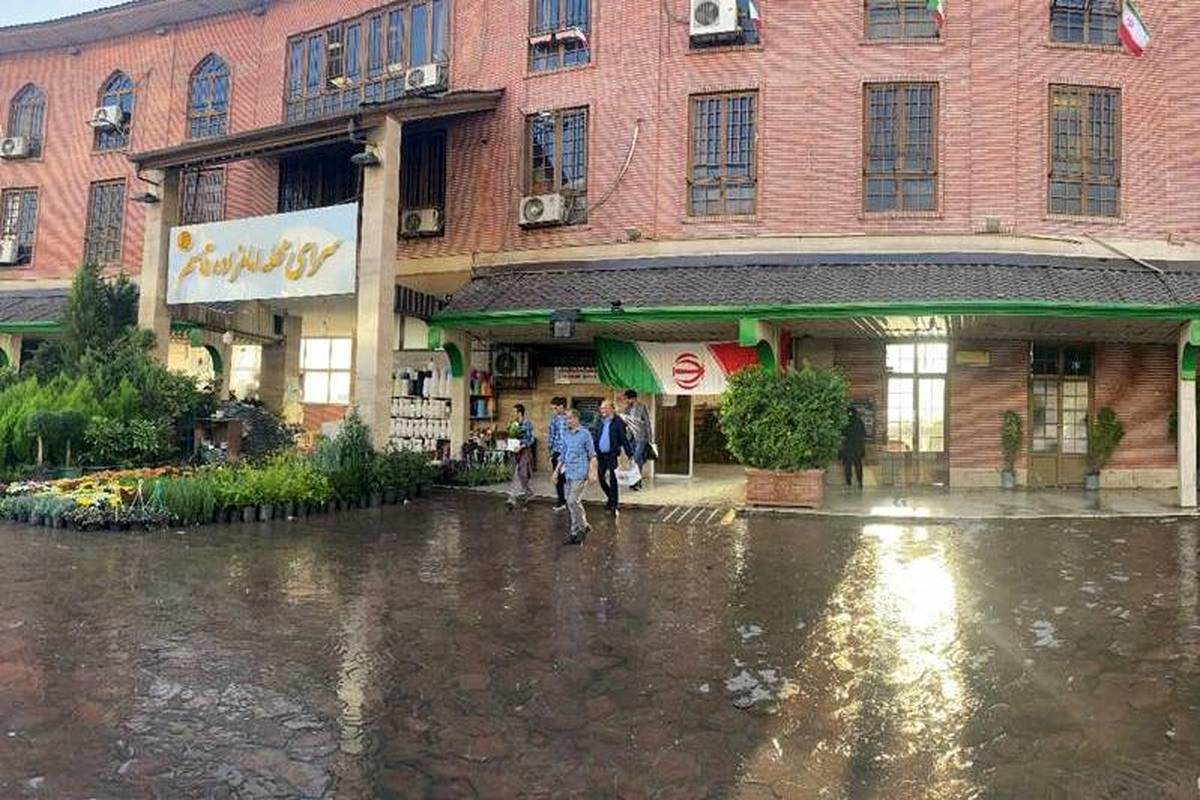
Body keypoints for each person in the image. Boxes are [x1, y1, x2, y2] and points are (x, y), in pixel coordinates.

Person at [556, 409, 597, 544]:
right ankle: (576, 531)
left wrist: (592, 472)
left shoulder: (585, 434)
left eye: (569, 418)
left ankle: (581, 528)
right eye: (566, 419)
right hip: (569, 472)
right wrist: (556, 471)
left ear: (576, 418)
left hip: (580, 472)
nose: (567, 421)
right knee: (573, 504)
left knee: (571, 501)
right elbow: (563, 455)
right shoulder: (566, 434)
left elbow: (592, 455)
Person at [593, 400, 631, 513]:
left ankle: (613, 503)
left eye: (605, 408)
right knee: (601, 478)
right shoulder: (599, 421)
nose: (603, 410)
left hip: (612, 455)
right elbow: (596, 436)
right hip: (600, 455)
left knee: (613, 479)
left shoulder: (618, 421)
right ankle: (611, 498)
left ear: (612, 409)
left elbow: (624, 439)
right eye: (601, 408)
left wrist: (629, 453)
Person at [506, 403, 535, 508]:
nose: (512, 413)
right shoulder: (513, 423)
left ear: (519, 412)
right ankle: (514, 496)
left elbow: (531, 439)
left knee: (523, 473)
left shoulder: (527, 423)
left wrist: (522, 446)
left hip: (524, 451)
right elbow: (511, 435)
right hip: (515, 451)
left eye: (514, 411)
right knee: (515, 473)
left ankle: (524, 492)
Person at [622, 389, 652, 490]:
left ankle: (634, 481)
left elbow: (647, 423)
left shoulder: (642, 408)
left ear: (633, 398)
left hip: (640, 438)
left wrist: (650, 438)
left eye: (627, 399)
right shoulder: (627, 409)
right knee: (637, 460)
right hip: (630, 437)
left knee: (635, 458)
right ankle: (637, 482)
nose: (626, 401)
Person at [547, 397, 569, 511]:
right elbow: (551, 434)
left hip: (568, 452)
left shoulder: (569, 418)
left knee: (568, 476)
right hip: (557, 451)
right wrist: (550, 452)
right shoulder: (554, 419)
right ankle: (561, 500)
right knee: (557, 477)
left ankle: (572, 500)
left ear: (561, 406)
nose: (554, 411)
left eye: (555, 408)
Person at [841, 406, 867, 489]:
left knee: (847, 466)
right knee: (858, 465)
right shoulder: (859, 422)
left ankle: (848, 482)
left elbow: (842, 434)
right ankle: (860, 482)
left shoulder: (845, 422)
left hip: (848, 448)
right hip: (858, 448)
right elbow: (864, 434)